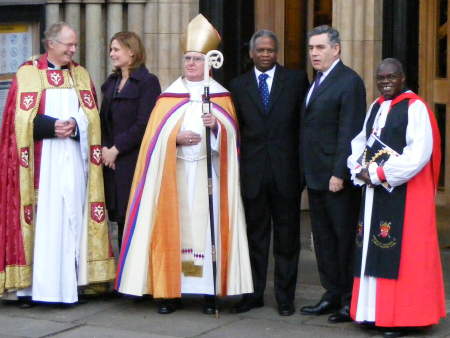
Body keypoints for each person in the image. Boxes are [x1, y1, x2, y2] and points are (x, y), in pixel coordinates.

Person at [114, 14, 253, 315]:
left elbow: (233, 136)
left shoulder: (220, 96)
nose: (190, 64)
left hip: (209, 175)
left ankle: (207, 293)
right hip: (175, 175)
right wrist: (174, 137)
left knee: (205, 233)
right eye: (187, 58)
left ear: (208, 63)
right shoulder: (168, 97)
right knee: (175, 231)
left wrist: (216, 126)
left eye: (196, 59)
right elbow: (153, 139)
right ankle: (170, 293)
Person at [0, 22, 115, 306]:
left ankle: (74, 285)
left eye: (75, 44)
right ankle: (31, 289)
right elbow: (15, 122)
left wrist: (75, 126)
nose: (73, 50)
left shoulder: (80, 74)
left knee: (73, 219)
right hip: (42, 165)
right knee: (43, 224)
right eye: (68, 45)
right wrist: (51, 127)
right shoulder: (27, 74)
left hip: (74, 161)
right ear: (51, 44)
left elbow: (91, 117)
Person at [347, 58, 446, 337]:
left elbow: (418, 155)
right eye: (381, 78)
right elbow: (360, 142)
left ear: (403, 78)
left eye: (391, 77)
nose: (385, 82)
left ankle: (406, 318)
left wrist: (379, 173)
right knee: (372, 249)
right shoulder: (375, 107)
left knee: (406, 255)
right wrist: (358, 167)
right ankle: (373, 313)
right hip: (375, 194)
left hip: (406, 194)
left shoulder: (416, 109)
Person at [229, 30, 309, 316]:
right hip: (252, 174)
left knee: (288, 239)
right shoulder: (237, 86)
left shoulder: (296, 81)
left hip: (286, 173)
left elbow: (304, 129)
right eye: (260, 50)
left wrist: (302, 172)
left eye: (271, 50)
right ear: (251, 53)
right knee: (255, 238)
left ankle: (285, 297)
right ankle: (253, 294)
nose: (266, 55)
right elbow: (233, 132)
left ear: (277, 53)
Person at [300, 25, 366, 322]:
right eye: (312, 48)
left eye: (320, 47)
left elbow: (350, 131)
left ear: (336, 49)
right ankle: (331, 293)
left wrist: (340, 172)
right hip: (315, 175)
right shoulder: (318, 80)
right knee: (324, 240)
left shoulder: (349, 81)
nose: (314, 53)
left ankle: (350, 300)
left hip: (336, 178)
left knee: (342, 239)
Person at [100, 31, 161, 248]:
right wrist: (106, 150)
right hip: (112, 163)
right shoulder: (112, 82)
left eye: (116, 49)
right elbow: (103, 120)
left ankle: (133, 278)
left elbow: (144, 123)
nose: (111, 54)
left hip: (133, 160)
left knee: (133, 219)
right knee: (118, 220)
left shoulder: (147, 82)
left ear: (132, 52)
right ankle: (122, 274)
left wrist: (117, 148)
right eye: (111, 49)